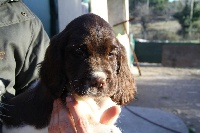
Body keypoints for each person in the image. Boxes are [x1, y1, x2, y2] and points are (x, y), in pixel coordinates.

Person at [0, 0, 120, 132]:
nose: (98, 75)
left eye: (111, 54)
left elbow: (38, 85)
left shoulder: (23, 21)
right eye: (80, 53)